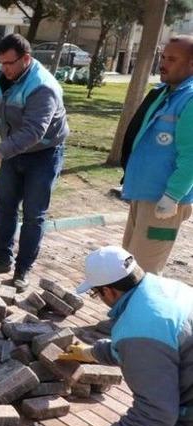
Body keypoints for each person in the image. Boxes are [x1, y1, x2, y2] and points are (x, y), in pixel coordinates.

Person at [61, 246, 193, 426]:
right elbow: (145, 348)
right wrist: (90, 353)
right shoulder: (163, 289)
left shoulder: (141, 328)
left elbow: (157, 413)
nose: (99, 300)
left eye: (96, 294)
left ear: (108, 291)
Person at [0, 33, 68, 292]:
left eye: (10, 63)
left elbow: (34, 132)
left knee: (34, 214)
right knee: (5, 206)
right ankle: (1, 258)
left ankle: (23, 269)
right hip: (11, 150)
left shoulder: (43, 87)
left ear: (26, 59)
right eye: (1, 63)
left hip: (44, 154)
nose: (5, 69)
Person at [118, 35, 193, 274]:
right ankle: (126, 311)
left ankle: (139, 312)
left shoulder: (190, 100)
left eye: (172, 59)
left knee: (143, 272)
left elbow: (191, 156)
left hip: (164, 203)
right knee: (128, 266)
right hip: (143, 195)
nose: (163, 63)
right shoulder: (165, 92)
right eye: (163, 57)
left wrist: (172, 197)